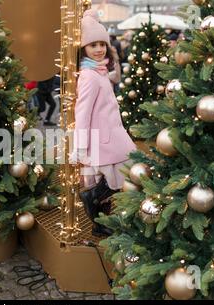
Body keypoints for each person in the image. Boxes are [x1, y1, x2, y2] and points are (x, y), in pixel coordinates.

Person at [72, 9, 136, 237]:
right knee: (122, 172)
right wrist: (80, 146)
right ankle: (95, 208)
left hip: (112, 135)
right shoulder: (89, 76)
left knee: (121, 173)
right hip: (105, 139)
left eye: (101, 44)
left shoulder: (97, 71)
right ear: (84, 49)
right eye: (93, 45)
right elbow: (83, 112)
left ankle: (101, 217)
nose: (99, 49)